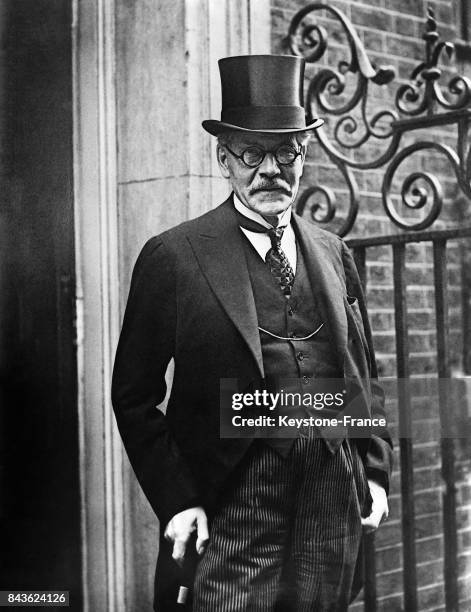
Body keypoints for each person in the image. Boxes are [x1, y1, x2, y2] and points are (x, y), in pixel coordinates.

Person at [112, 55, 393, 612]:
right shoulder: (174, 256)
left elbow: (363, 372)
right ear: (224, 159)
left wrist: (375, 469)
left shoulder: (334, 253)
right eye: (251, 152)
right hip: (234, 489)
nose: (271, 169)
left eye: (286, 152)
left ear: (303, 156)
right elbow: (134, 396)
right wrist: (178, 501)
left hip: (333, 485)